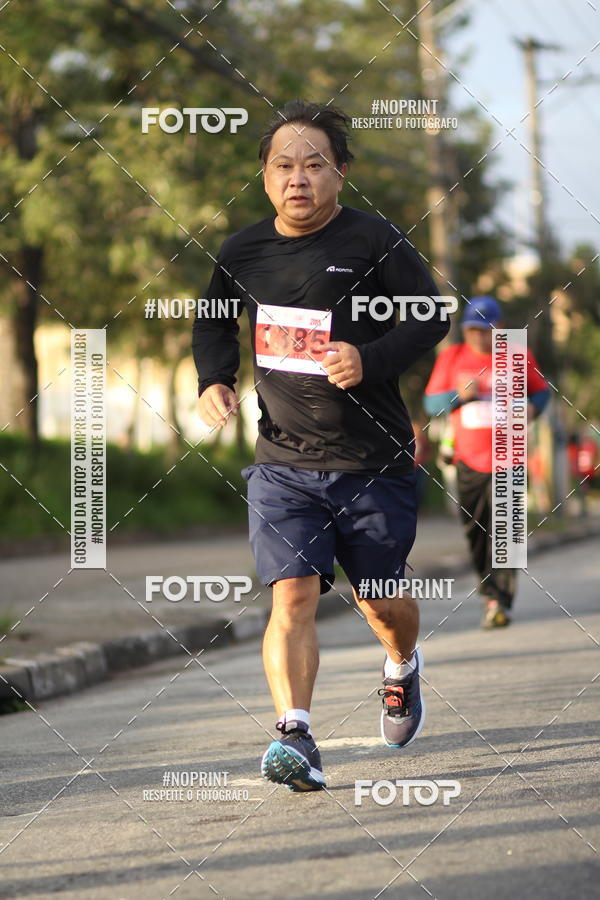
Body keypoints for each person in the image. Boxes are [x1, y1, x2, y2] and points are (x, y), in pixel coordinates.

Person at [193, 99, 449, 791]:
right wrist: (214, 379)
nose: (297, 178)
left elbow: (430, 317)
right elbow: (213, 320)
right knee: (293, 598)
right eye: (283, 165)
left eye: (313, 165)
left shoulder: (375, 241)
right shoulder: (242, 251)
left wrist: (369, 358)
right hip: (283, 465)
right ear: (265, 176)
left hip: (373, 462)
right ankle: (296, 736)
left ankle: (401, 668)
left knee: (379, 602)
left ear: (340, 173)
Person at [424, 296, 550, 629]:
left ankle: (500, 600)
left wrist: (533, 409)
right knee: (478, 531)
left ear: (500, 327)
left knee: (507, 531)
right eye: (473, 330)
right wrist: (457, 396)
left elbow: (541, 392)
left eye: (485, 329)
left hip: (510, 456)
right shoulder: (453, 357)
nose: (479, 336)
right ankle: (488, 591)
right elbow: (432, 404)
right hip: (469, 460)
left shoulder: (518, 354)